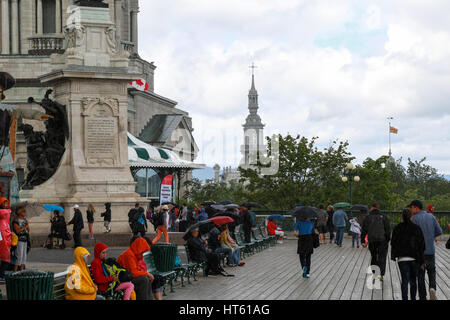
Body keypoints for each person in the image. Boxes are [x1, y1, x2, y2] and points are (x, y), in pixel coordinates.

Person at [409, 199, 442, 300]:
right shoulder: (431, 216)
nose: (410, 210)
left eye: (411, 208)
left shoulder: (413, 219)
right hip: (430, 251)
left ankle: (423, 297)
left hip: (418, 253)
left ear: (416, 207)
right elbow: (439, 231)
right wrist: (430, 236)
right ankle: (432, 288)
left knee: (420, 275)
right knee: (431, 271)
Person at [391, 208, 425, 300]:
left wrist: (394, 255)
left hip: (402, 259)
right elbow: (421, 245)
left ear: (402, 217)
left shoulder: (397, 228)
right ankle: (413, 298)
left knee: (404, 281)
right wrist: (421, 260)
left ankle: (404, 298)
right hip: (414, 259)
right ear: (411, 216)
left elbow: (393, 242)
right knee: (413, 280)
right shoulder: (416, 228)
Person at [360, 202, 391, 281]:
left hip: (372, 239)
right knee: (382, 257)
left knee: (374, 256)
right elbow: (388, 230)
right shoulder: (384, 216)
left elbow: (364, 230)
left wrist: (363, 240)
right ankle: (381, 274)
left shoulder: (368, 217)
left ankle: (375, 273)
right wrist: (387, 239)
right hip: (382, 240)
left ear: (372, 207)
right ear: (378, 207)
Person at [12, 206, 30, 272]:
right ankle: (15, 271)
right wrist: (25, 227)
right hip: (19, 240)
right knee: (19, 256)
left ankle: (22, 271)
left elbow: (28, 230)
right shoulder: (16, 220)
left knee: (24, 256)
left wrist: (27, 225)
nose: (25, 213)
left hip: (25, 239)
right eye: (23, 211)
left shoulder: (25, 220)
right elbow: (17, 231)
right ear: (19, 212)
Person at [0, 198, 11, 283]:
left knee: (6, 257)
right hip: (2, 235)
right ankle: (1, 275)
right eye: (3, 203)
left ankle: (1, 274)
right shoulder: (4, 212)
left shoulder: (6, 212)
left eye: (6, 202)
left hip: (6, 235)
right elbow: (5, 212)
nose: (5, 204)